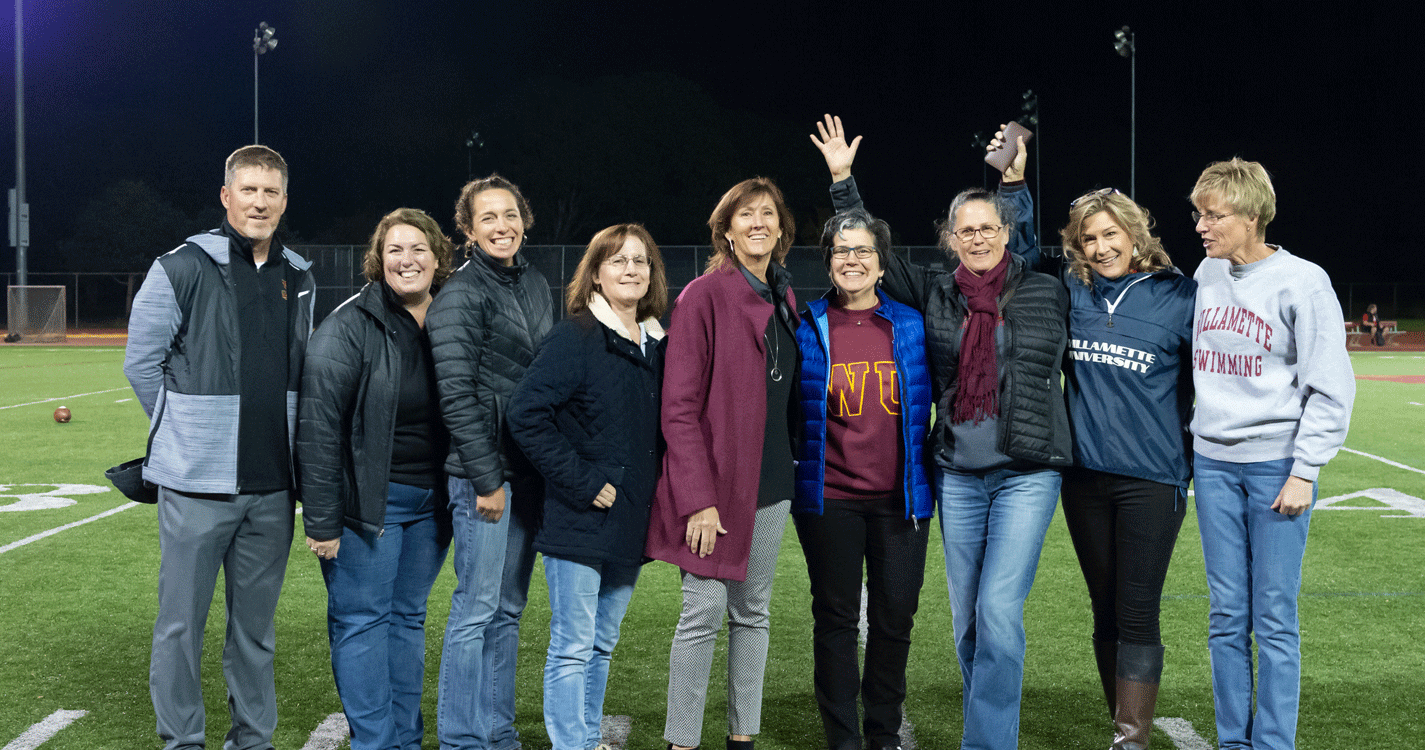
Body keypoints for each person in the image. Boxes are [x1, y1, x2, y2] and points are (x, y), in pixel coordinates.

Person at [812, 114, 1071, 750]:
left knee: (998, 615)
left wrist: (1013, 178)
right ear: (950, 239)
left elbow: (1029, 230)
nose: (978, 238)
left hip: (1026, 470)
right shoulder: (934, 292)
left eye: (989, 228)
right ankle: (987, 726)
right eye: (966, 231)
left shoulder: (1039, 286)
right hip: (956, 472)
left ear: (1006, 234)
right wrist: (844, 180)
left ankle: (988, 743)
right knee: (966, 623)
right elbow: (870, 252)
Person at [123, 145, 314, 750]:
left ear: (284, 201)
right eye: (249, 190)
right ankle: (183, 741)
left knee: (254, 633)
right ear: (227, 195)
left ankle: (252, 740)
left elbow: (305, 371)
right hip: (195, 487)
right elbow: (141, 364)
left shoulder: (298, 275)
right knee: (180, 627)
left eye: (272, 192)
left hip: (272, 489)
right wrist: (186, 433)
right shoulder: (180, 266)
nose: (260, 202)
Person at [1011, 157, 1195, 749]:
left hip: (1153, 479)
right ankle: (1122, 727)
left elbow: (1206, 381)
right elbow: (1012, 253)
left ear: (1134, 234)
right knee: (1105, 609)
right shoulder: (1069, 289)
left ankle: (1132, 741)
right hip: (1085, 479)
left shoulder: (1179, 294)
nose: (1100, 246)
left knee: (1137, 611)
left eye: (1110, 233)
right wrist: (1013, 185)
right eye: (1088, 238)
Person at [1189, 158, 1354, 750]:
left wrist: (1305, 471)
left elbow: (1331, 386)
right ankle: (1234, 741)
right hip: (1211, 465)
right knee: (1227, 616)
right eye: (1199, 214)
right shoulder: (1208, 272)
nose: (1202, 226)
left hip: (1274, 467)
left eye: (1216, 215)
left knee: (1274, 619)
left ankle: (1274, 743)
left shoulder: (1303, 281)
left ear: (1254, 215)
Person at [645, 177, 799, 750]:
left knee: (752, 614)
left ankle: (742, 739)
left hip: (772, 481)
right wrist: (698, 500)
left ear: (781, 229)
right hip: (713, 489)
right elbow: (679, 410)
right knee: (703, 613)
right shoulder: (703, 295)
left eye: (768, 214)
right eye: (745, 215)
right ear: (726, 230)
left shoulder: (783, 295)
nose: (758, 223)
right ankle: (682, 741)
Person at [297, 208, 455, 750]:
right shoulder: (347, 326)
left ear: (438, 257)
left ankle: (405, 740)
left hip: (433, 503)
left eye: (418, 249)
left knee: (408, 620)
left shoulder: (451, 318)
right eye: (395, 250)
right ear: (378, 259)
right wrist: (321, 518)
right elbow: (316, 428)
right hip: (370, 502)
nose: (407, 260)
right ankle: (376, 742)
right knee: (362, 623)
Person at [508, 223, 669, 750]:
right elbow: (526, 414)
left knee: (602, 642)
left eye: (640, 261)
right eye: (618, 260)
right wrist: (583, 482)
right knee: (573, 644)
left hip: (630, 517)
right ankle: (569, 743)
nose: (631, 270)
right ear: (596, 274)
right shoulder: (574, 335)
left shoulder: (658, 343)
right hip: (579, 516)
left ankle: (586, 736)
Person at [792, 207, 933, 750]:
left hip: (902, 500)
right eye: (841, 250)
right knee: (836, 620)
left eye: (863, 251)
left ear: (882, 264)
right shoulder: (806, 324)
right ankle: (842, 737)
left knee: (896, 618)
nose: (852, 259)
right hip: (831, 499)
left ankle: (883, 730)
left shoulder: (911, 324)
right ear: (828, 262)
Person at [428, 174, 554, 750]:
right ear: (468, 231)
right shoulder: (460, 293)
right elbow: (455, 393)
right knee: (475, 610)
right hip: (486, 478)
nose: (501, 226)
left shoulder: (535, 284)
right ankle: (460, 738)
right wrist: (486, 478)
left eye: (510, 215)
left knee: (507, 610)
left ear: (524, 221)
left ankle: (498, 733)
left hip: (527, 473)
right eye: (487, 219)